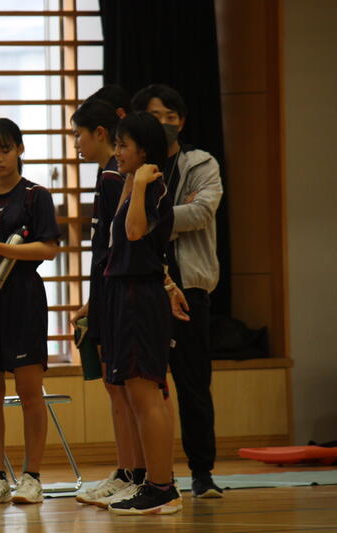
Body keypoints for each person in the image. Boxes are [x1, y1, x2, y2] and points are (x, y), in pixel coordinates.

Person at [0, 118, 60, 505]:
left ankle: (32, 477)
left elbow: (48, 249)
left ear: (20, 149)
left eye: (4, 150)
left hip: (22, 299)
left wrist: (0, 249)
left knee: (29, 392)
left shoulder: (36, 196)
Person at [132, 83, 224, 498]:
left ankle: (202, 473)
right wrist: (153, 216)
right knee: (143, 387)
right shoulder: (132, 164)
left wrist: (150, 217)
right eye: (156, 117)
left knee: (193, 383)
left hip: (189, 285)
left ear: (183, 122)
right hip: (142, 287)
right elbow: (123, 224)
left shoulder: (201, 162)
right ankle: (147, 475)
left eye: (172, 117)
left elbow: (202, 212)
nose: (165, 124)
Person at [102, 111, 181, 515]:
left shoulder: (152, 186)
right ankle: (154, 482)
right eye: (116, 144)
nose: (116, 152)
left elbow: (135, 234)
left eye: (123, 145)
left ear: (144, 150)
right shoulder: (134, 183)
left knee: (146, 393)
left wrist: (137, 186)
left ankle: (161, 487)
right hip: (125, 293)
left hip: (139, 297)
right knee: (137, 394)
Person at [69, 99, 141, 506]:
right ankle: (126, 469)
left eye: (78, 134)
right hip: (106, 294)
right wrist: (92, 301)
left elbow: (115, 250)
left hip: (120, 295)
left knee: (125, 387)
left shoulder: (116, 177)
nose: (75, 143)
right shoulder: (107, 175)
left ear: (99, 133)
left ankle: (137, 473)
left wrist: (100, 300)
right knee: (116, 387)